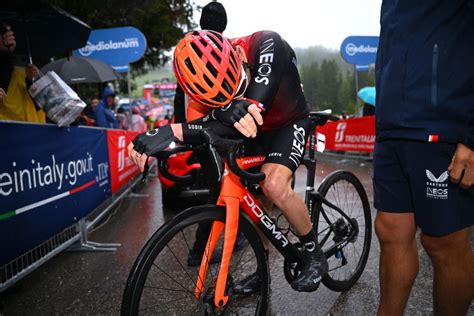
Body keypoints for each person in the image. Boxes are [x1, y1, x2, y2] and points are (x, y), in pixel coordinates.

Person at [128, 30, 328, 293]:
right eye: (219, 99)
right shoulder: (197, 89)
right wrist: (163, 135)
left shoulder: (266, 44)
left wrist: (194, 123)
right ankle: (263, 271)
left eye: (237, 86)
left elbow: (250, 110)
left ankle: (314, 254)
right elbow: (197, 130)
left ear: (238, 55)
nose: (232, 97)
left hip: (289, 122)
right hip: (254, 131)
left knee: (274, 185)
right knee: (255, 201)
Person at [374, 1, 474, 315]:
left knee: (443, 245)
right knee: (390, 230)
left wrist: (472, 137)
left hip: (443, 125)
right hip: (391, 126)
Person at [173, 1, 227, 123]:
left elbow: (180, 94)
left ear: (202, 22)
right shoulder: (231, 50)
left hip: (193, 123)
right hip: (224, 123)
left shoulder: (187, 50)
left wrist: (179, 126)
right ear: (224, 24)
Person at [0, 24, 46, 123]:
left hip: (33, 131)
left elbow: (42, 105)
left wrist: (31, 80)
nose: (9, 39)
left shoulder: (27, 73)